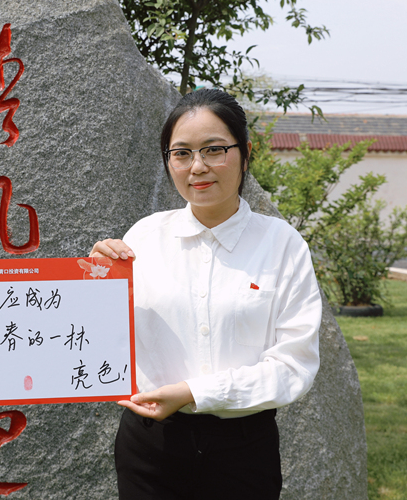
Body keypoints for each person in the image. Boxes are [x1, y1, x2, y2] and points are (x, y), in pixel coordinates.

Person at [90, 89, 321, 500]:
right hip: (151, 448)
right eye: (181, 153)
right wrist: (93, 285)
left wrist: (194, 393)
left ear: (245, 153)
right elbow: (102, 340)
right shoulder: (142, 239)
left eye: (214, 150)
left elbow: (293, 365)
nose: (197, 167)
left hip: (243, 451)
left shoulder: (282, 245)